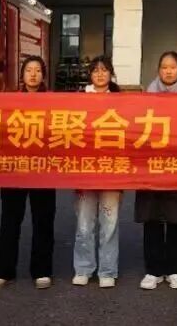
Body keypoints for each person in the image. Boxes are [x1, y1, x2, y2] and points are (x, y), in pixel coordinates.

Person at [0, 56, 56, 290]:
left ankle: (42, 270)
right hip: (14, 168)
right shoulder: (11, 100)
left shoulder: (54, 102)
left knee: (43, 220)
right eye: (29, 70)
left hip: (43, 167)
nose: (33, 74)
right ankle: (4, 271)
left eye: (38, 70)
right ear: (22, 75)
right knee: (10, 220)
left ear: (43, 75)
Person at [135, 52, 177, 291]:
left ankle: (175, 270)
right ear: (158, 70)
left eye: (173, 67)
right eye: (164, 67)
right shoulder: (147, 96)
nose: (168, 71)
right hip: (152, 164)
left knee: (176, 217)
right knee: (152, 217)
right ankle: (153, 270)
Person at [73, 55, 123, 288]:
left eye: (104, 70)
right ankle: (83, 268)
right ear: (90, 75)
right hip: (85, 171)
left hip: (112, 170)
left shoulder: (122, 101)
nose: (100, 74)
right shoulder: (80, 100)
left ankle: (107, 270)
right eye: (95, 70)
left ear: (111, 74)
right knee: (84, 224)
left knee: (109, 224)